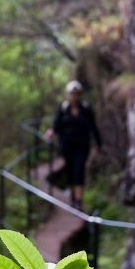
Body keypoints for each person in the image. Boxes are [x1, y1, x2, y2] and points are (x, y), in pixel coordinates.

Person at [45, 80, 102, 211]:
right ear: (68, 94)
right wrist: (50, 132)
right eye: (72, 94)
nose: (74, 96)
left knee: (79, 170)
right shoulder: (63, 108)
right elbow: (56, 125)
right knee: (69, 171)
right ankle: (72, 196)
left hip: (82, 145)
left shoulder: (86, 109)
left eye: (76, 94)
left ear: (80, 95)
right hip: (67, 146)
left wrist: (99, 144)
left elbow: (93, 127)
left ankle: (78, 199)